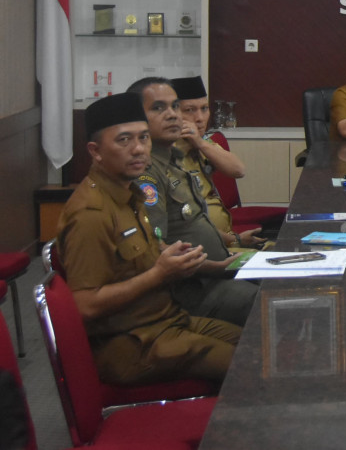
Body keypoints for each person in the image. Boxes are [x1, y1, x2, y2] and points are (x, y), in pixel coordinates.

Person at [57, 93, 241, 386]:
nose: (138, 149)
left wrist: (211, 266)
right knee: (253, 366)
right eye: (124, 140)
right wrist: (158, 275)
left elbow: (152, 252)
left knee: (259, 342)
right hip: (131, 343)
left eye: (143, 138)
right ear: (95, 151)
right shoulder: (91, 214)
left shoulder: (130, 193)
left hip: (166, 321)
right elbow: (84, 305)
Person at [129, 78, 258, 326]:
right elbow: (156, 247)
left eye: (176, 107)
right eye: (159, 108)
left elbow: (236, 171)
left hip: (219, 268)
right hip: (195, 291)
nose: (173, 115)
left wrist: (232, 246)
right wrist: (217, 266)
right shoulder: (146, 172)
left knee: (293, 279)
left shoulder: (175, 158)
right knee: (277, 301)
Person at [170, 76, 267, 248]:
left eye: (204, 109)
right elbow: (185, 225)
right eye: (189, 110)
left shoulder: (203, 144)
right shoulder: (166, 153)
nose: (199, 118)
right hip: (201, 245)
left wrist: (200, 143)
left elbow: (238, 170)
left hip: (225, 239)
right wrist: (235, 240)